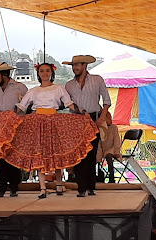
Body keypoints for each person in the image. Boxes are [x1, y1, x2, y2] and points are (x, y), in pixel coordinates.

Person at [6, 63, 97, 199]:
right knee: (40, 154)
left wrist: (82, 112)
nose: (44, 73)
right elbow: (22, 106)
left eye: (47, 71)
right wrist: (8, 117)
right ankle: (42, 187)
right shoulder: (33, 90)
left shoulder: (58, 88)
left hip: (54, 122)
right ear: (38, 73)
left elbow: (69, 103)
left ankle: (59, 184)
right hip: (37, 123)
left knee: (57, 151)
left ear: (51, 72)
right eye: (42, 71)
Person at [64, 55, 111, 197]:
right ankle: (81, 188)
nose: (74, 68)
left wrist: (101, 118)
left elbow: (107, 101)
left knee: (91, 153)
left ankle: (91, 186)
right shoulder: (69, 84)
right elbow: (67, 103)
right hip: (76, 119)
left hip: (94, 117)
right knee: (78, 154)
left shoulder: (97, 80)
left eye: (77, 65)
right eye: (73, 66)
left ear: (85, 65)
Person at [0, 62, 28, 197]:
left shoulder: (20, 88)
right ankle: (1, 187)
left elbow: (29, 104)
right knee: (0, 157)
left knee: (14, 156)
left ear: (4, 75)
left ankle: (14, 186)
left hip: (15, 127)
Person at [97, 112, 122, 183]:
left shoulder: (114, 128)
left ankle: (112, 176)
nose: (111, 120)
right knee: (95, 157)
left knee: (109, 156)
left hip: (112, 149)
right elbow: (99, 143)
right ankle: (99, 175)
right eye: (108, 118)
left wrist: (117, 151)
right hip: (101, 149)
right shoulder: (100, 128)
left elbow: (117, 141)